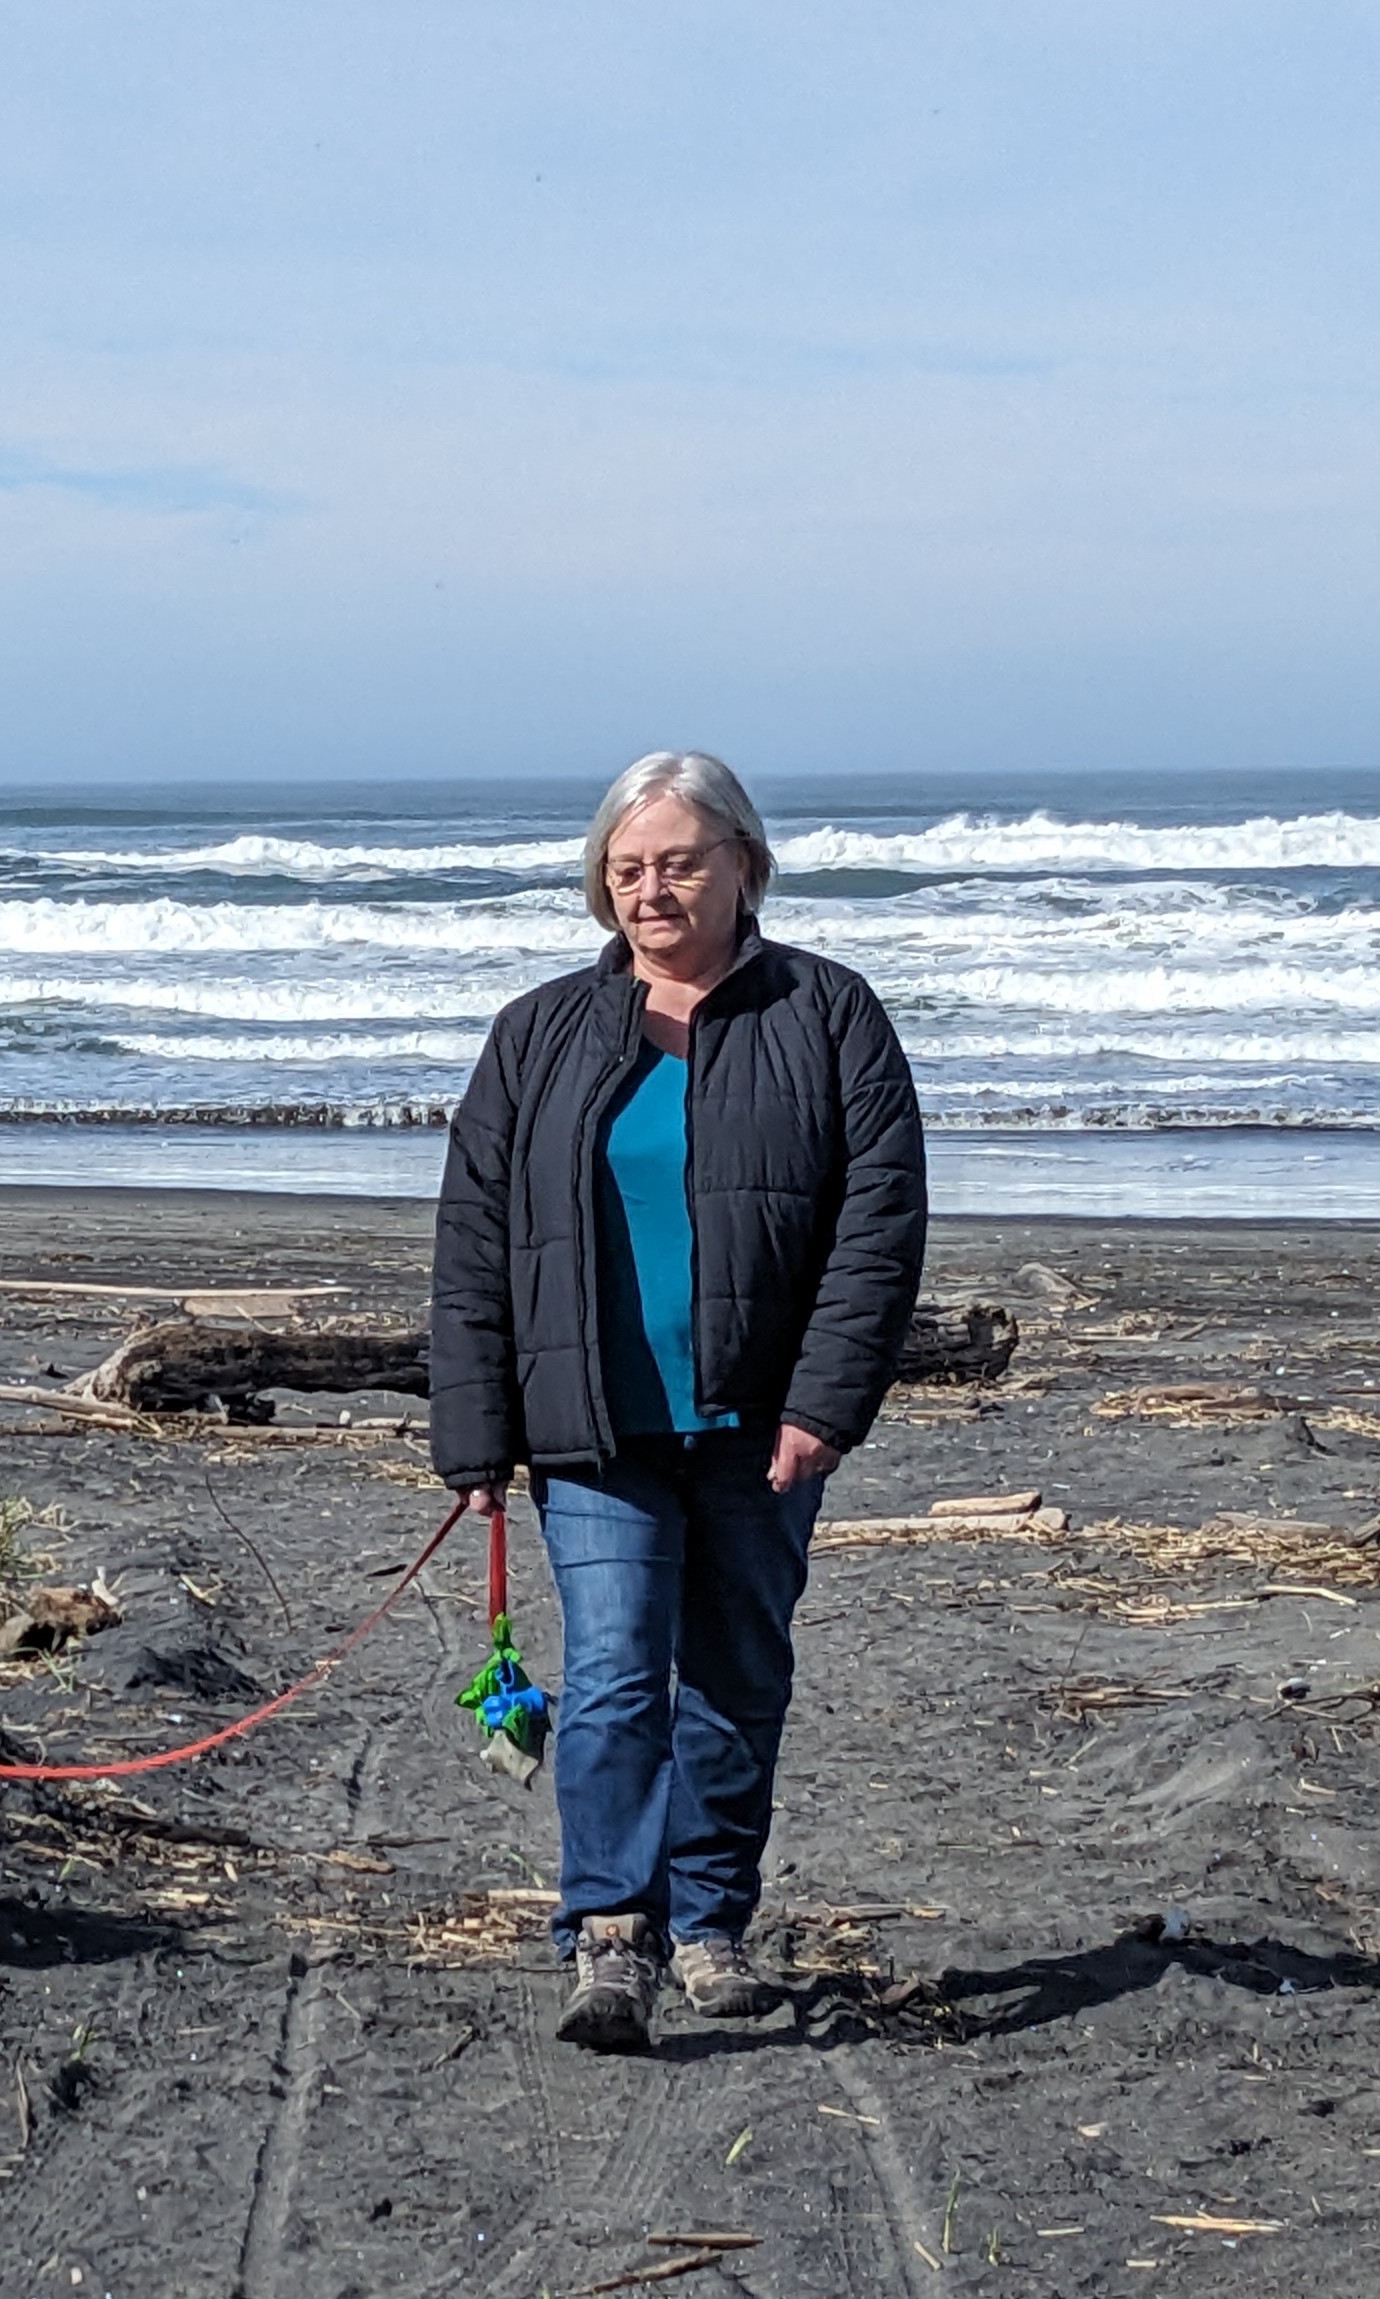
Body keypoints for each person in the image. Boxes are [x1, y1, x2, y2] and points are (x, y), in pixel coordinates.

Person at [430, 751, 925, 2053]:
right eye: (628, 866)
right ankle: (609, 1935)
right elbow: (474, 1242)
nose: (652, 888)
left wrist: (825, 1406)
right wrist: (474, 1431)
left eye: (680, 862)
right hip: (594, 1428)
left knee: (734, 1680)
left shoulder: (830, 1014)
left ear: (743, 865)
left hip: (763, 1429)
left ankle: (708, 1927)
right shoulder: (537, 1033)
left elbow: (878, 1230)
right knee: (610, 1676)